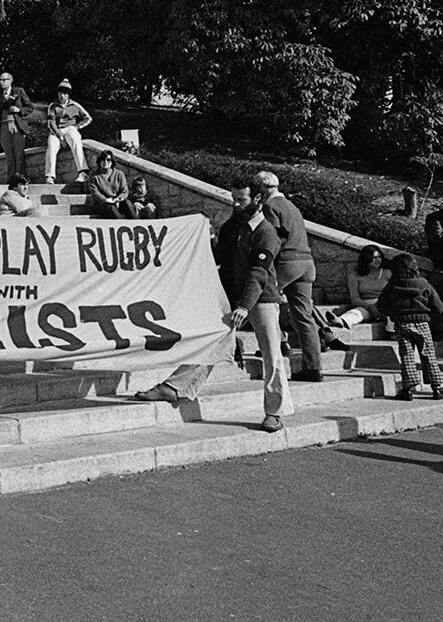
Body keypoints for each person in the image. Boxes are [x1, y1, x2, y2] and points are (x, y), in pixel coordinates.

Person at [136, 179, 293, 432]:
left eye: (240, 199)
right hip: (231, 298)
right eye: (233, 198)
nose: (235, 203)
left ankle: (274, 412)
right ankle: (176, 387)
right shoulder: (232, 226)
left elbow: (259, 273)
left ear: (257, 200)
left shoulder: (266, 232)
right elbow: (218, 259)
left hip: (261, 299)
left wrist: (244, 306)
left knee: (271, 355)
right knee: (211, 340)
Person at [255, 171, 320, 383]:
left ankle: (274, 345)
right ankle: (313, 367)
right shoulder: (292, 206)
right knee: (304, 316)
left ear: (262, 189)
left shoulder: (270, 207)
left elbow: (273, 239)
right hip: (306, 263)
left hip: (286, 262)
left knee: (264, 303)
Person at [377, 253, 443, 400]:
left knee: (407, 356)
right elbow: (438, 306)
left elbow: (382, 304)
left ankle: (408, 389)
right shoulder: (423, 283)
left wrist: (391, 314)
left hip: (402, 323)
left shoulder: (393, 285)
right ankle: (437, 388)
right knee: (428, 354)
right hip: (422, 323)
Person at [318, 245, 390, 340]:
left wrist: (379, 305)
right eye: (374, 258)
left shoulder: (388, 273)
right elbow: (355, 298)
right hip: (366, 305)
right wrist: (370, 307)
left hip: (385, 303)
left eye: (379, 257)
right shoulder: (355, 276)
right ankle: (340, 321)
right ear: (366, 259)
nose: (378, 260)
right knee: (356, 313)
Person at [0, 72, 36, 181]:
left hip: (17, 125)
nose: (2, 82)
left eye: (4, 80)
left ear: (10, 80)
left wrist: (19, 110)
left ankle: (20, 179)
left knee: (19, 154)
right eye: (0, 80)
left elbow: (30, 107)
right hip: (4, 127)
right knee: (9, 155)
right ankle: (10, 179)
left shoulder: (19, 91)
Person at [43, 79, 92, 184]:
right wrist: (59, 135)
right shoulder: (53, 106)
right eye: (60, 93)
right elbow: (50, 123)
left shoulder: (75, 105)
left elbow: (88, 118)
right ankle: (50, 176)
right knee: (51, 147)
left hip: (70, 129)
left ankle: (83, 172)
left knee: (76, 141)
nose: (62, 96)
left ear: (68, 95)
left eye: (65, 93)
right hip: (56, 131)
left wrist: (77, 127)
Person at [86, 151, 128, 218]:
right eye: (103, 159)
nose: (105, 162)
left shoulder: (119, 174)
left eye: (108, 160)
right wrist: (106, 200)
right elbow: (95, 192)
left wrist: (118, 199)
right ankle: (121, 225)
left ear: (112, 162)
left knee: (127, 203)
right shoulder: (94, 175)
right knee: (111, 208)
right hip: (101, 203)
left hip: (116, 201)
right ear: (99, 161)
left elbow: (124, 190)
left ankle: (137, 224)